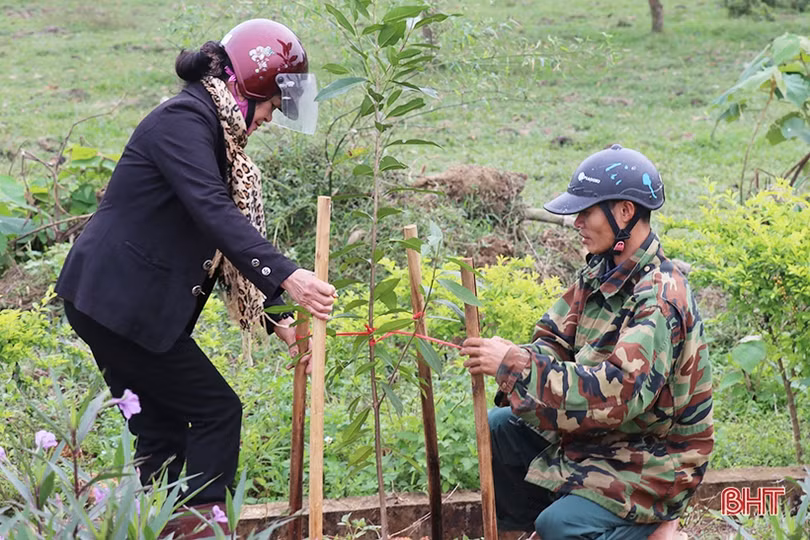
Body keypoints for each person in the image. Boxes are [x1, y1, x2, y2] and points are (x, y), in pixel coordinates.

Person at [55, 19, 335, 507]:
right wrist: (288, 275)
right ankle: (202, 531)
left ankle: (145, 527)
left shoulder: (211, 132)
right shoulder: (182, 122)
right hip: (118, 303)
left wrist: (276, 317)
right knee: (216, 411)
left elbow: (220, 241)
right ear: (244, 87)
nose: (269, 118)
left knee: (162, 431)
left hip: (120, 305)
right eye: (270, 105)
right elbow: (213, 211)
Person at [461, 144, 713, 540]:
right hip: (601, 437)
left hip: (654, 457)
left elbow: (618, 397)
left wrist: (516, 366)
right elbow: (554, 340)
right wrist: (520, 358)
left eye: (587, 211)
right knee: (502, 428)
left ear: (625, 212)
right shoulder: (600, 272)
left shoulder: (659, 298)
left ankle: (653, 530)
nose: (576, 221)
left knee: (560, 525)